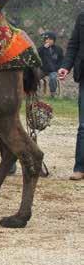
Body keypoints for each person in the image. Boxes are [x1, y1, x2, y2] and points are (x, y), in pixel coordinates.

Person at [58, 11, 84, 180]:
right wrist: (66, 66)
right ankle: (80, 168)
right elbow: (74, 45)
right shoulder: (81, 17)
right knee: (83, 126)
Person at [38, 32, 63, 97]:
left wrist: (56, 68)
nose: (47, 41)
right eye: (46, 39)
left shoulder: (58, 49)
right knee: (34, 76)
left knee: (53, 78)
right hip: (42, 70)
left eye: (50, 39)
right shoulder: (41, 48)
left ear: (54, 40)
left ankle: (52, 93)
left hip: (53, 70)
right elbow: (37, 55)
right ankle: (34, 92)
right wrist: (43, 48)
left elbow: (61, 61)